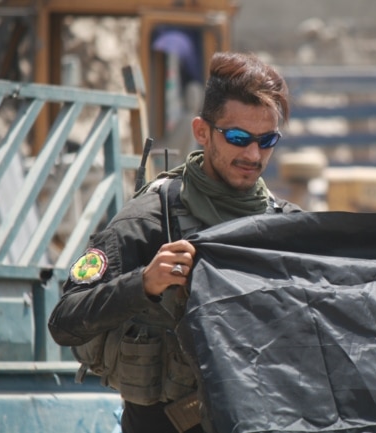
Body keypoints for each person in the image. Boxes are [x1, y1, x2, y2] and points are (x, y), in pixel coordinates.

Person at [48, 51, 301, 433]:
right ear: (202, 132)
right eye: (237, 138)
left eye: (267, 140)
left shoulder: (287, 227)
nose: (253, 154)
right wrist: (143, 284)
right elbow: (64, 322)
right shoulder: (151, 220)